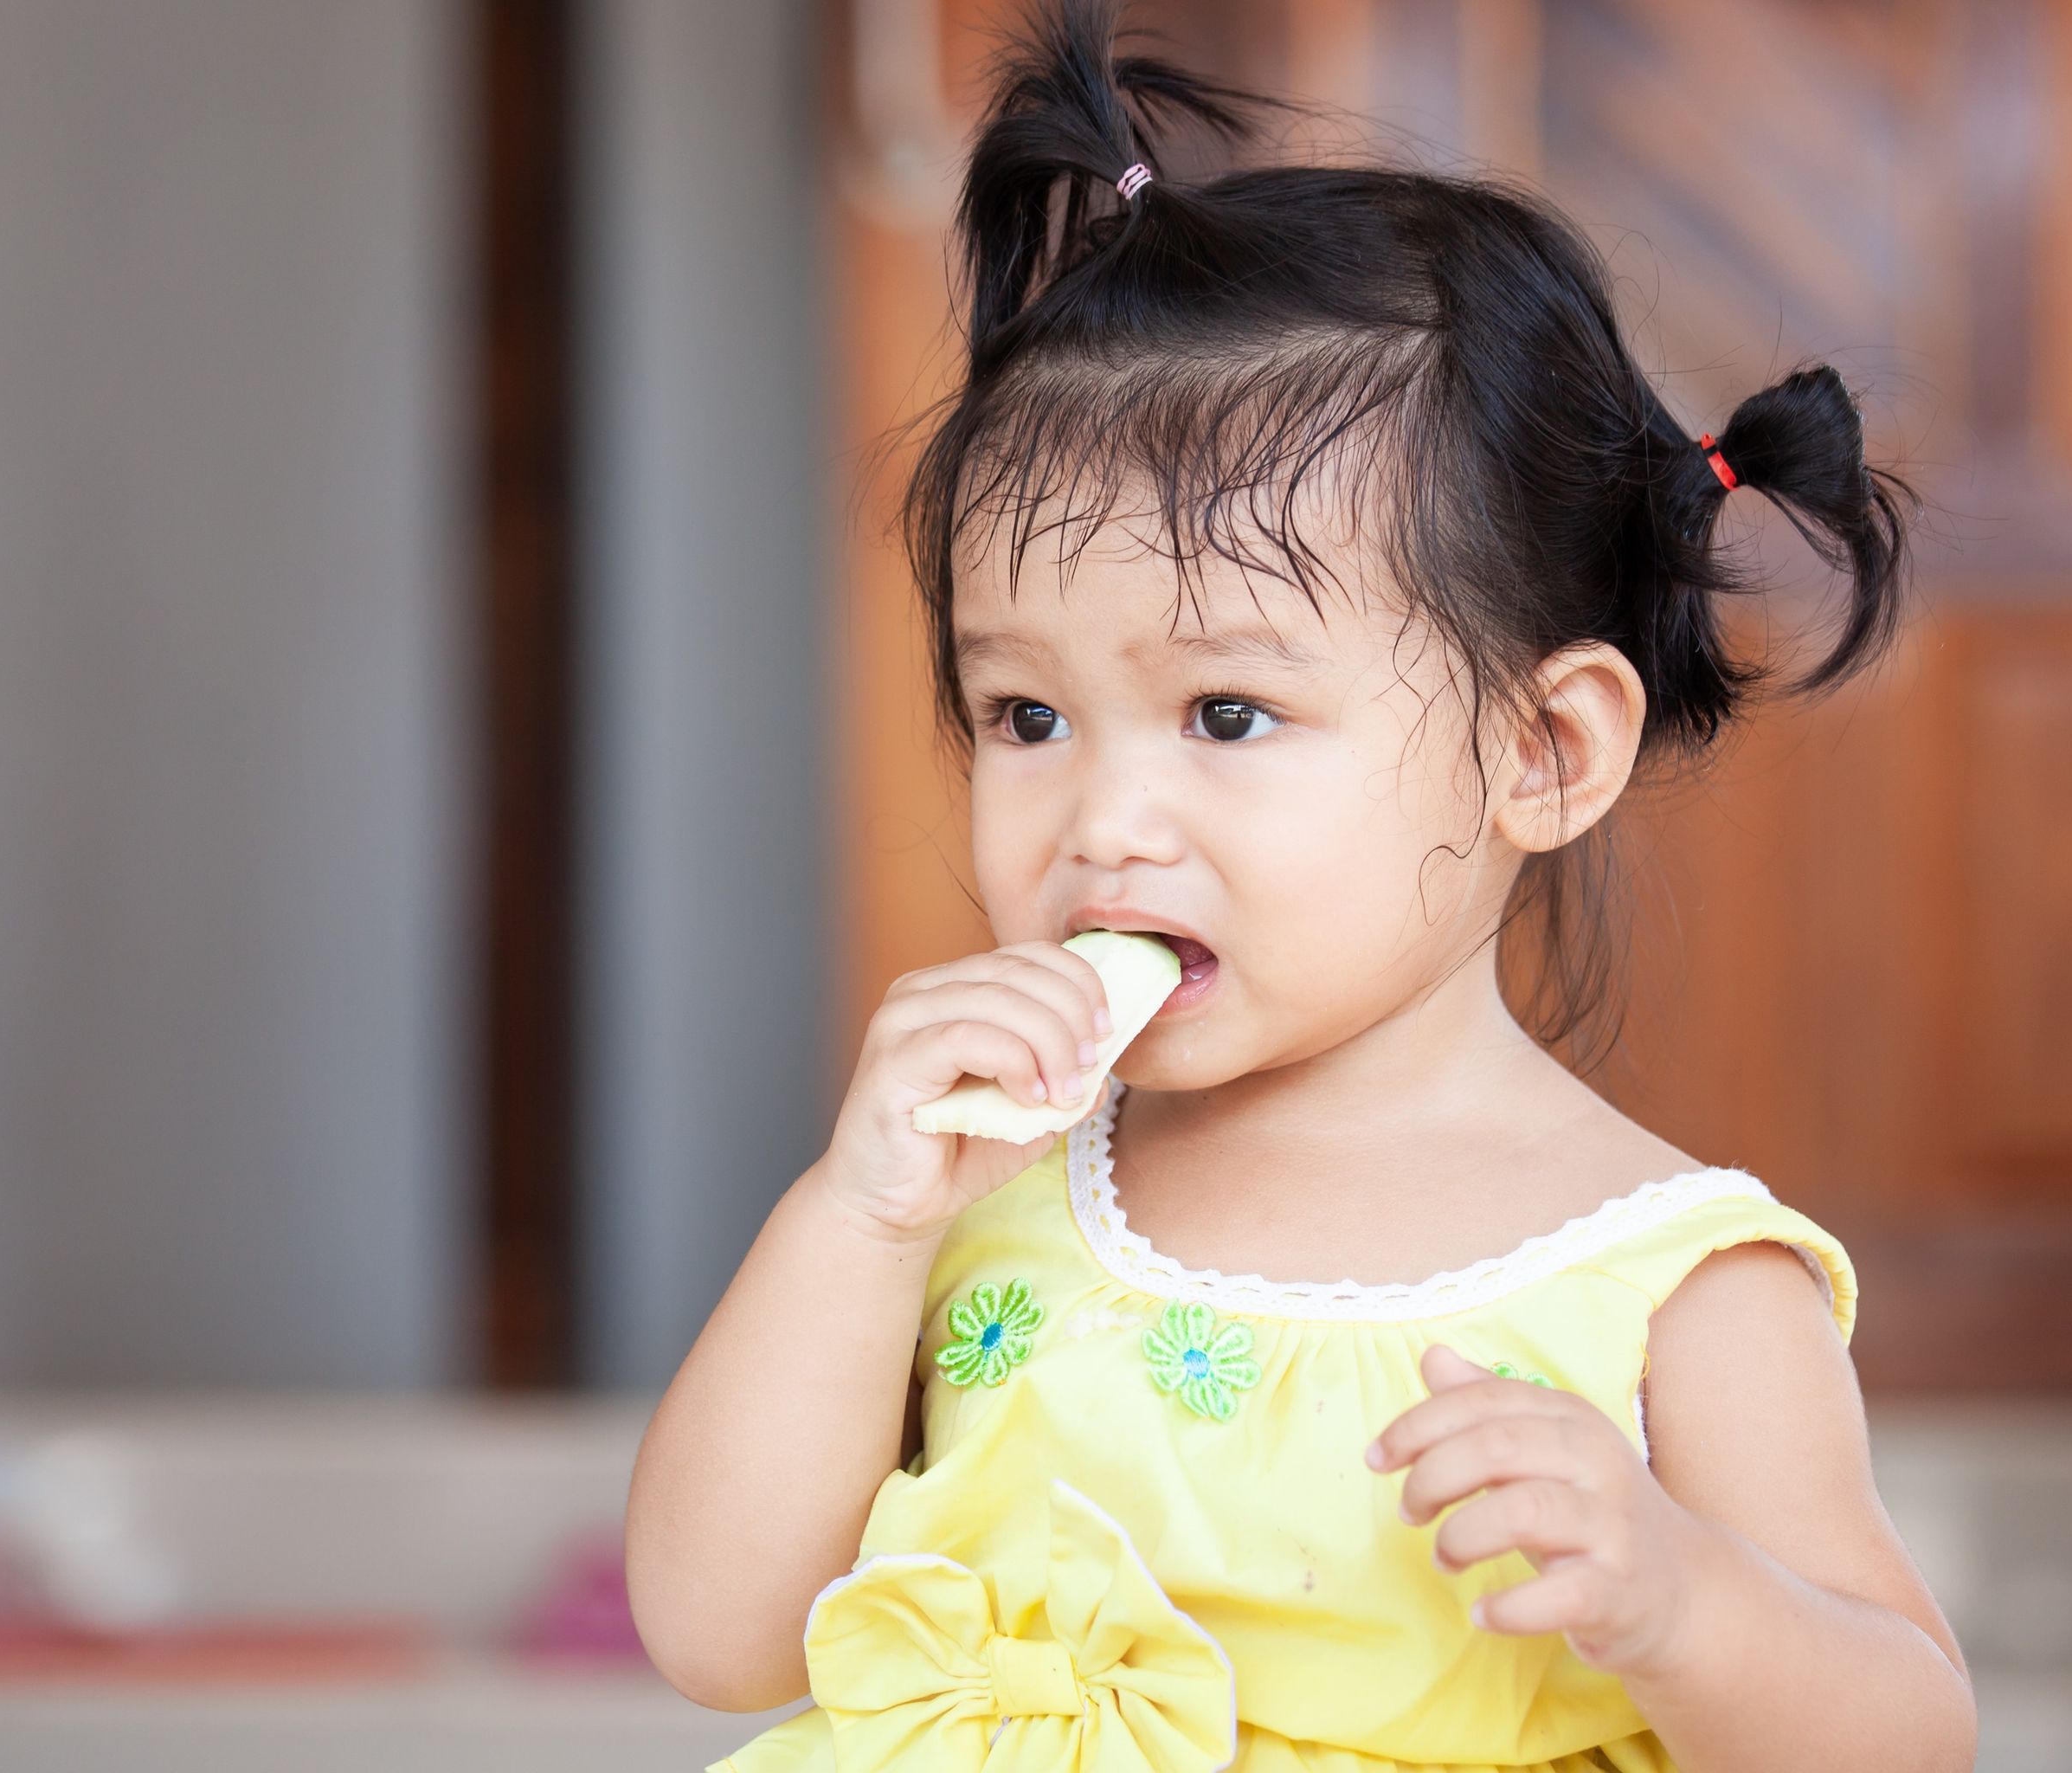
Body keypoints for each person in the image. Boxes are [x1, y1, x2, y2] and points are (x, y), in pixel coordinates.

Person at [626, 3, 1974, 1767]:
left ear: (1541, 752)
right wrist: (856, 1223)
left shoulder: (1672, 1283)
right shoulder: (983, 1181)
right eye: (1023, 711)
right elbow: (718, 1639)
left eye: (1227, 711)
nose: (1103, 814)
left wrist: (1676, 1597)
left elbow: (1909, 1734)